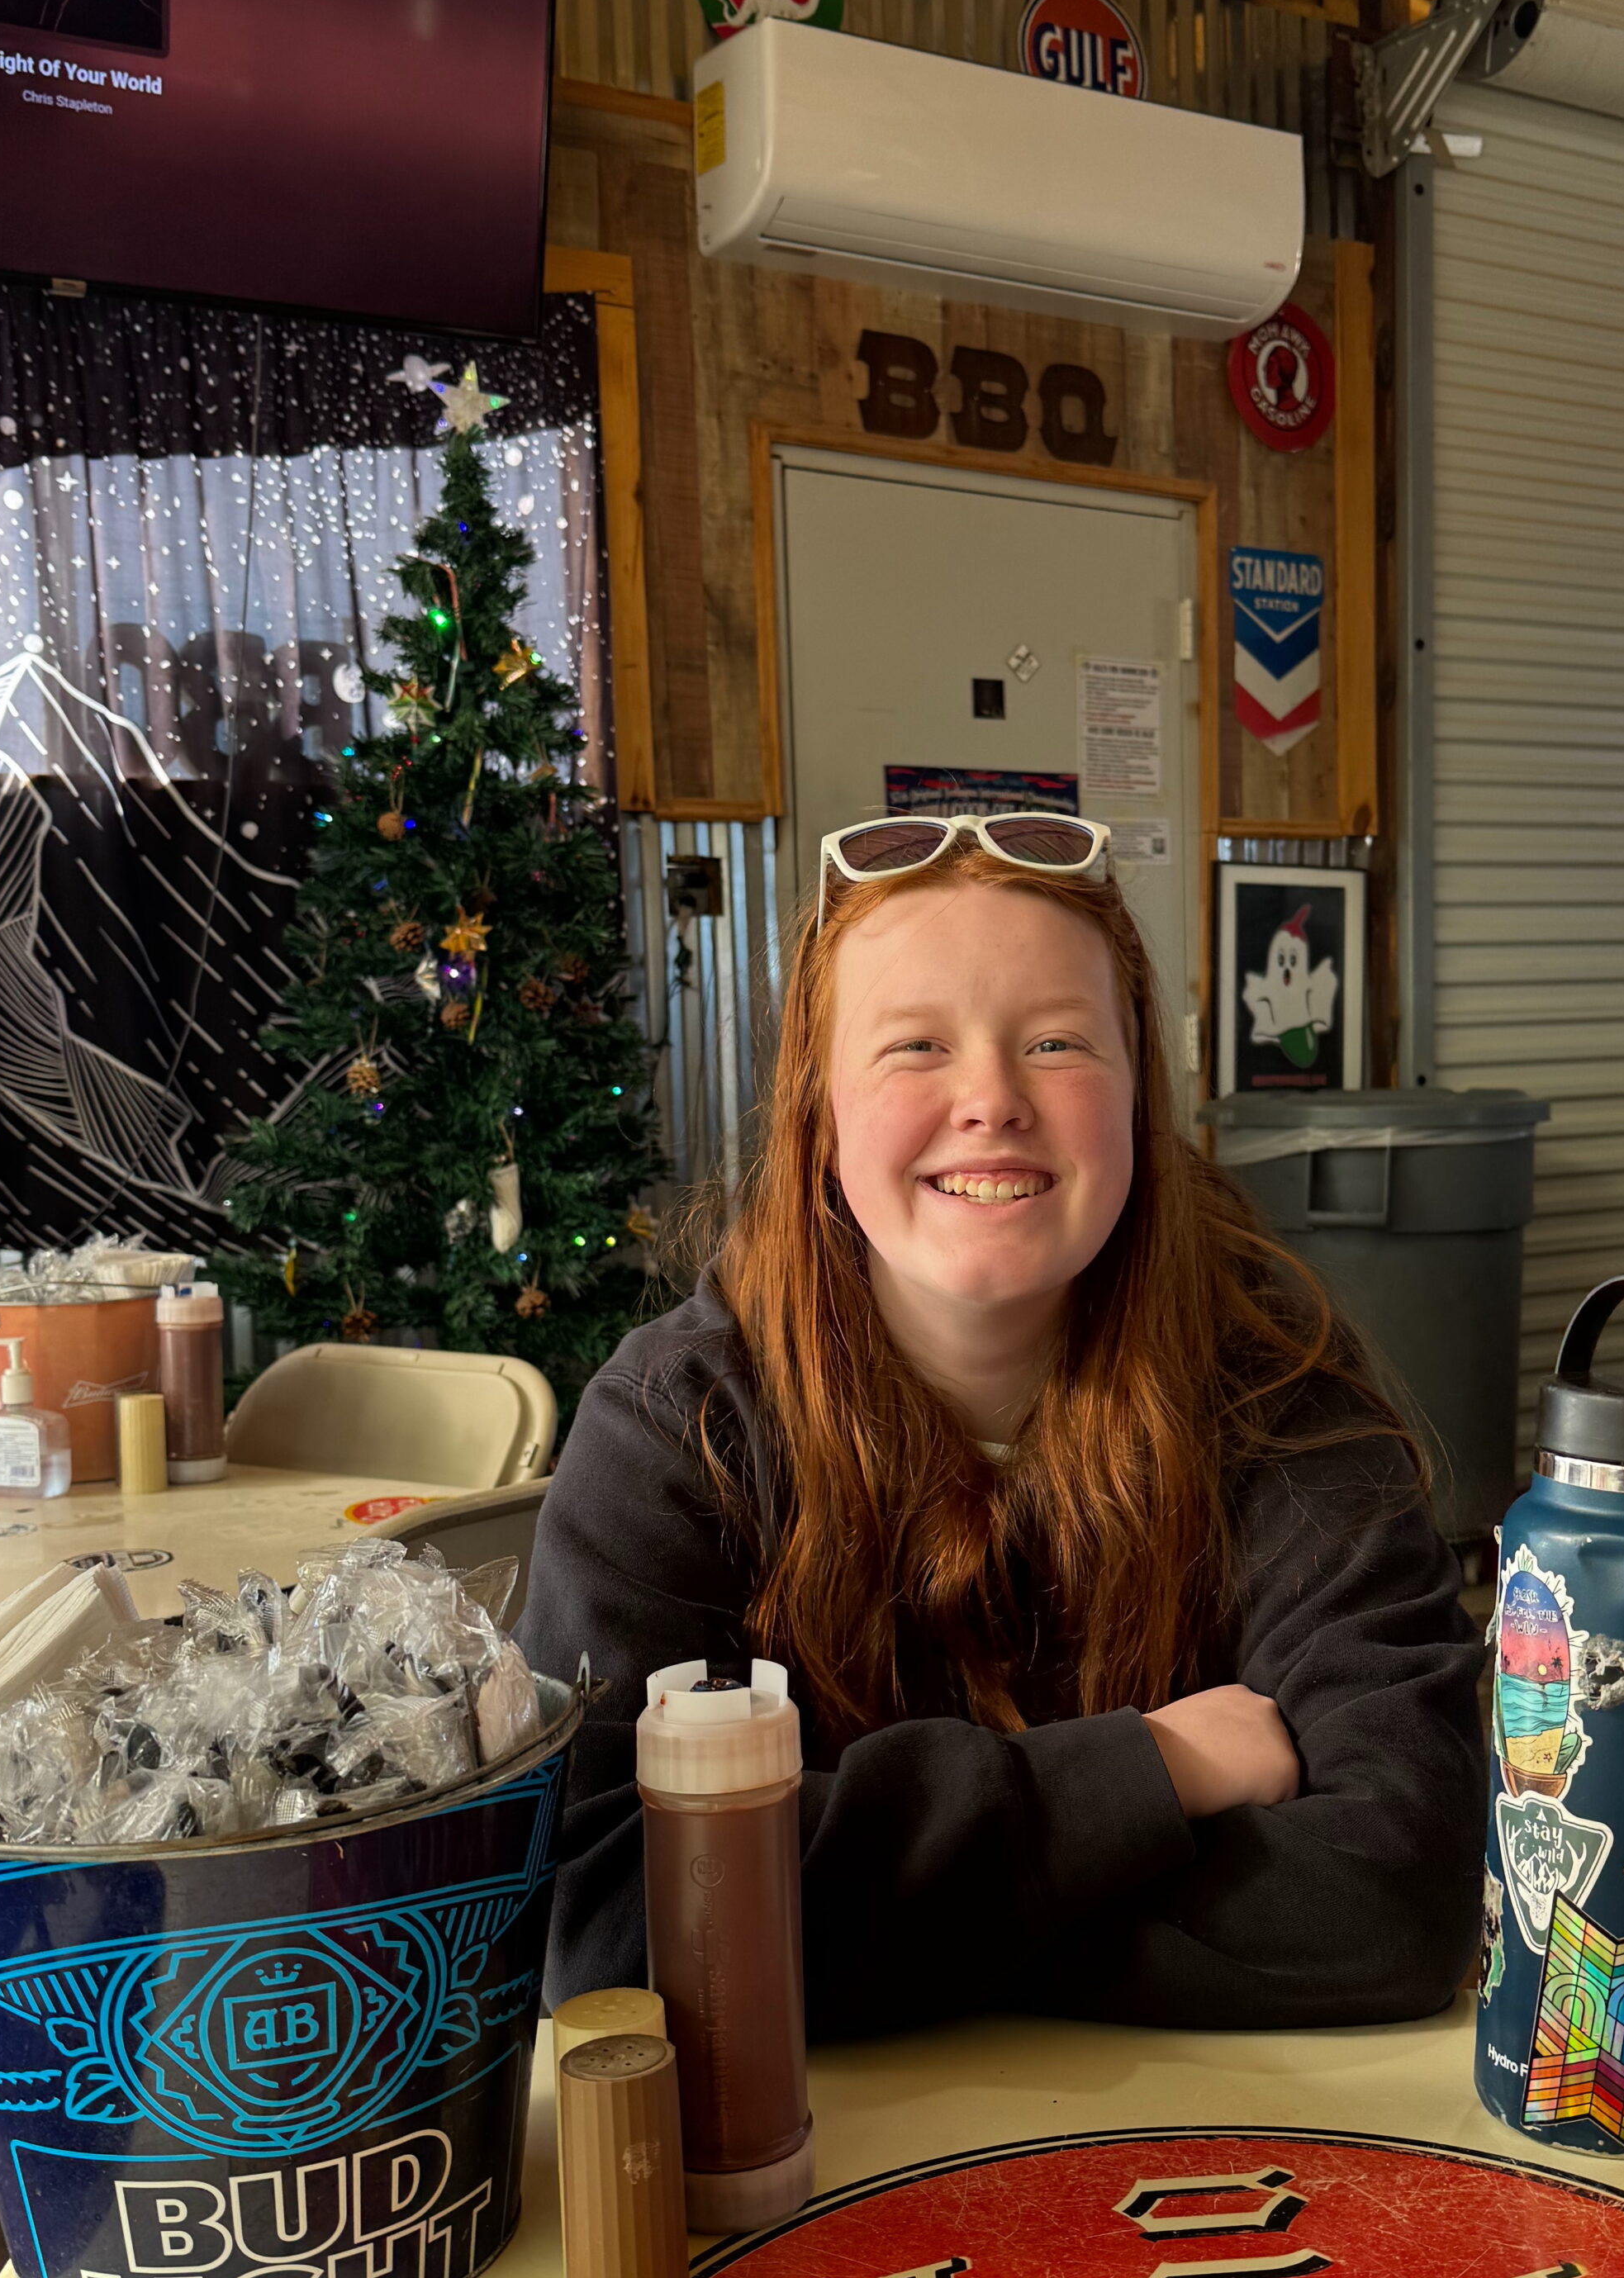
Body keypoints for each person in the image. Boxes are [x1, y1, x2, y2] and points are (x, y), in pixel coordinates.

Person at [523, 811, 1485, 2038]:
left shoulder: (1278, 1393)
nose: (991, 1100)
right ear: (820, 1117)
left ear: (1139, 1099)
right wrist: (1150, 1773)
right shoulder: (676, 1428)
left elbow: (1402, 1896)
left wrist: (840, 1924)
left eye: (1057, 1041)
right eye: (916, 1045)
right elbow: (609, 1930)